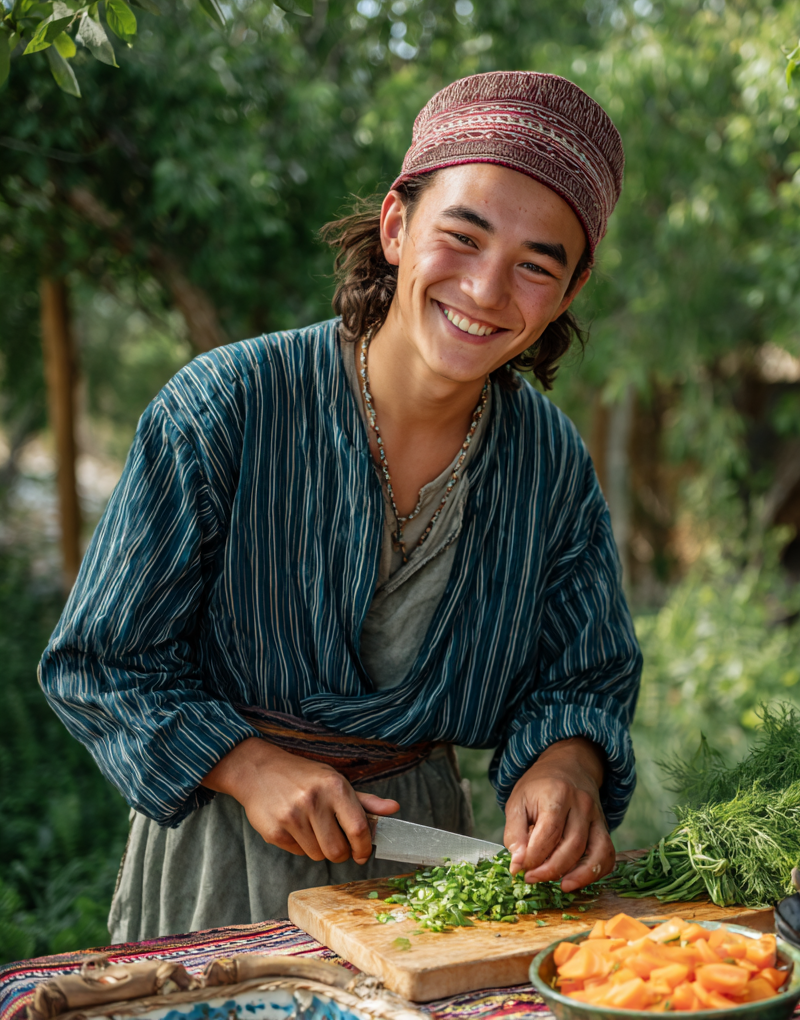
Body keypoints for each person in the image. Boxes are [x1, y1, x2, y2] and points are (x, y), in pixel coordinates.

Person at [39, 70, 641, 943]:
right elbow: (99, 661)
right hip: (222, 861)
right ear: (397, 226)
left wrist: (567, 767)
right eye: (462, 238)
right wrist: (248, 768)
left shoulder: (548, 463)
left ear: (569, 293)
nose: (484, 290)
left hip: (424, 876)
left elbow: (580, 677)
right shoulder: (225, 408)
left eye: (534, 266)